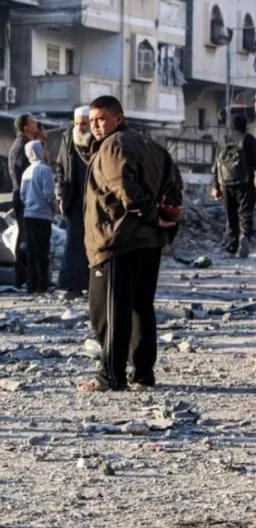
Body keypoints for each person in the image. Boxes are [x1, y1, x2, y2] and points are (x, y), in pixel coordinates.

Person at [78, 95, 181, 393]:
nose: (95, 126)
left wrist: (151, 214)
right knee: (140, 309)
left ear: (118, 118)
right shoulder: (152, 146)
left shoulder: (113, 145)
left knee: (108, 312)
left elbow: (124, 188)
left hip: (117, 241)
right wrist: (164, 218)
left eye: (101, 119)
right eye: (92, 120)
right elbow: (174, 188)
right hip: (148, 241)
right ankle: (143, 374)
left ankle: (111, 376)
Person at [55, 106, 93, 298]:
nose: (80, 127)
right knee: (74, 242)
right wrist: (61, 194)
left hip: (95, 200)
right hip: (74, 199)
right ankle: (72, 286)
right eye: (77, 123)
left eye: (84, 124)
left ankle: (95, 285)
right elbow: (61, 168)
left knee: (94, 243)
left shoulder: (99, 140)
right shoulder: (68, 138)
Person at [211, 114, 256, 259]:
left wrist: (215, 187)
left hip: (225, 183)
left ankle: (232, 246)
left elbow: (216, 165)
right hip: (245, 182)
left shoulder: (222, 140)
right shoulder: (248, 139)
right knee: (245, 213)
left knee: (230, 215)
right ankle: (244, 237)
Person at [8, 114, 42, 288]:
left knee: (27, 238)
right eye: (33, 122)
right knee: (26, 239)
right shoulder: (22, 147)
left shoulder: (23, 144)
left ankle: (27, 276)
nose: (37, 124)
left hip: (24, 198)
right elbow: (23, 176)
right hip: (24, 199)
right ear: (26, 127)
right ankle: (24, 277)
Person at [19, 140, 57, 294]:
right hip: (42, 216)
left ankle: (31, 284)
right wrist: (53, 209)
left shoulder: (27, 171)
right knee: (42, 251)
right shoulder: (45, 170)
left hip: (29, 215)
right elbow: (49, 194)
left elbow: (22, 195)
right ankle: (42, 284)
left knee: (31, 252)